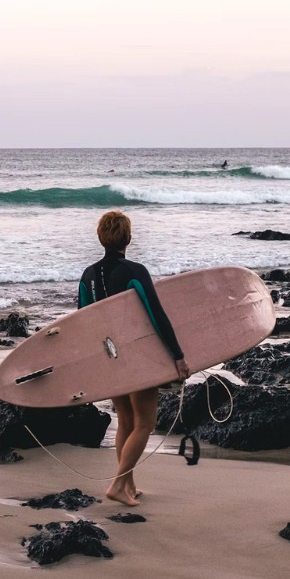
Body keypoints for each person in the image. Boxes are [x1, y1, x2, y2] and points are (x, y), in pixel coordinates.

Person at [78, 211, 189, 506]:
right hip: (137, 357)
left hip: (109, 359)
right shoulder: (135, 271)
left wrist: (92, 366)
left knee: (125, 421)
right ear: (128, 237)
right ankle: (116, 485)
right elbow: (156, 316)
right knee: (144, 424)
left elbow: (83, 324)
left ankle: (128, 484)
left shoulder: (87, 276)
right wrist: (177, 356)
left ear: (101, 238)